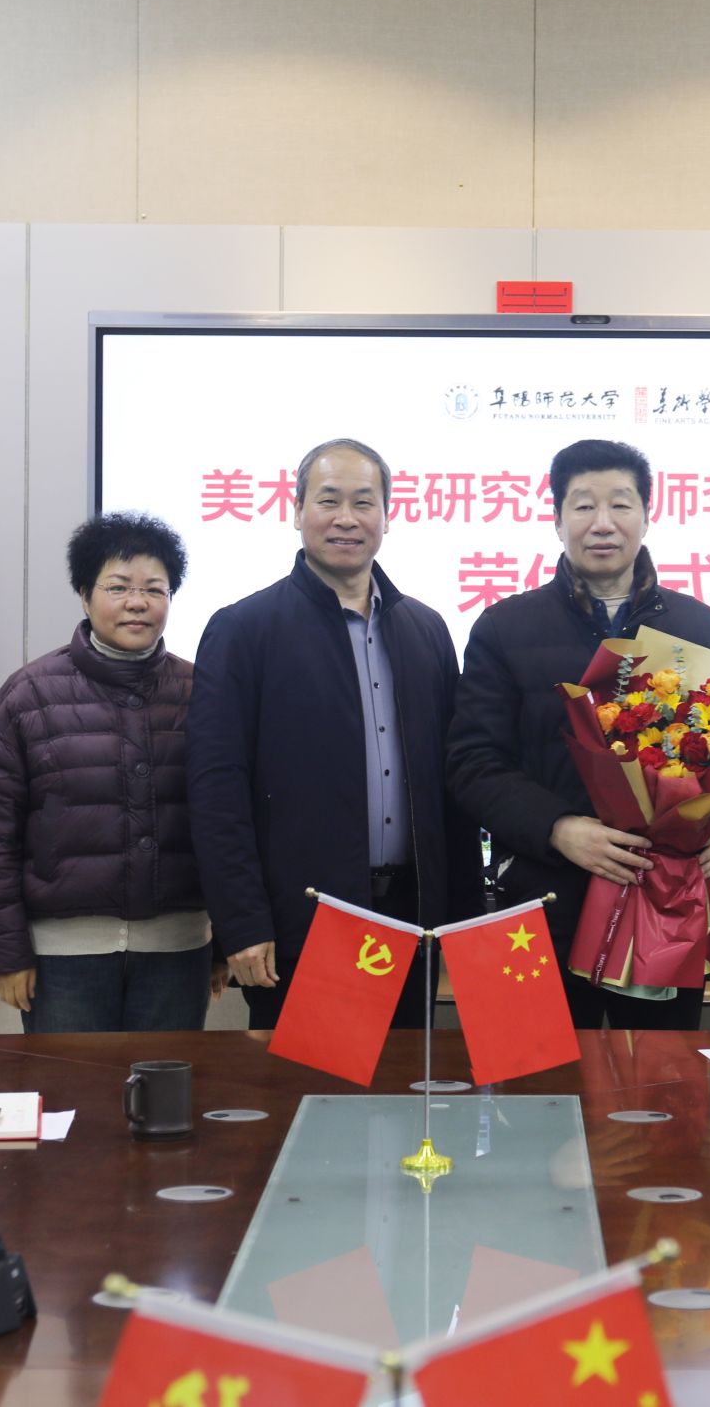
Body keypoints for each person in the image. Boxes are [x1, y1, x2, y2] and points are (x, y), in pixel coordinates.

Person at [448, 438, 710, 1029]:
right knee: (541, 1080)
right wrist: (558, 828)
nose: (603, 522)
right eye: (584, 505)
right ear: (557, 518)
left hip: (666, 906)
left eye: (620, 504)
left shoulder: (700, 626)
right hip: (543, 904)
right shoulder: (505, 627)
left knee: (661, 1078)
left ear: (648, 514)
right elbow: (472, 762)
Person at [188, 440, 481, 1029]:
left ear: (387, 517)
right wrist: (242, 924)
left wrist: (464, 921)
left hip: (411, 920)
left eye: (363, 502)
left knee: (405, 1083)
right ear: (297, 510)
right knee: (305, 1086)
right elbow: (217, 792)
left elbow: (452, 789)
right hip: (303, 924)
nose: (346, 518)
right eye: (328, 501)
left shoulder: (426, 630)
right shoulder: (243, 629)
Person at [0, 512, 224, 1032]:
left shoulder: (202, 693)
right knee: (68, 1086)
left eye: (155, 589)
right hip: (63, 960)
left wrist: (226, 942)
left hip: (178, 952)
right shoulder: (30, 694)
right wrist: (5, 954)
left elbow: (229, 826)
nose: (137, 602)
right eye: (118, 587)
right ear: (84, 595)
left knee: (166, 1086)